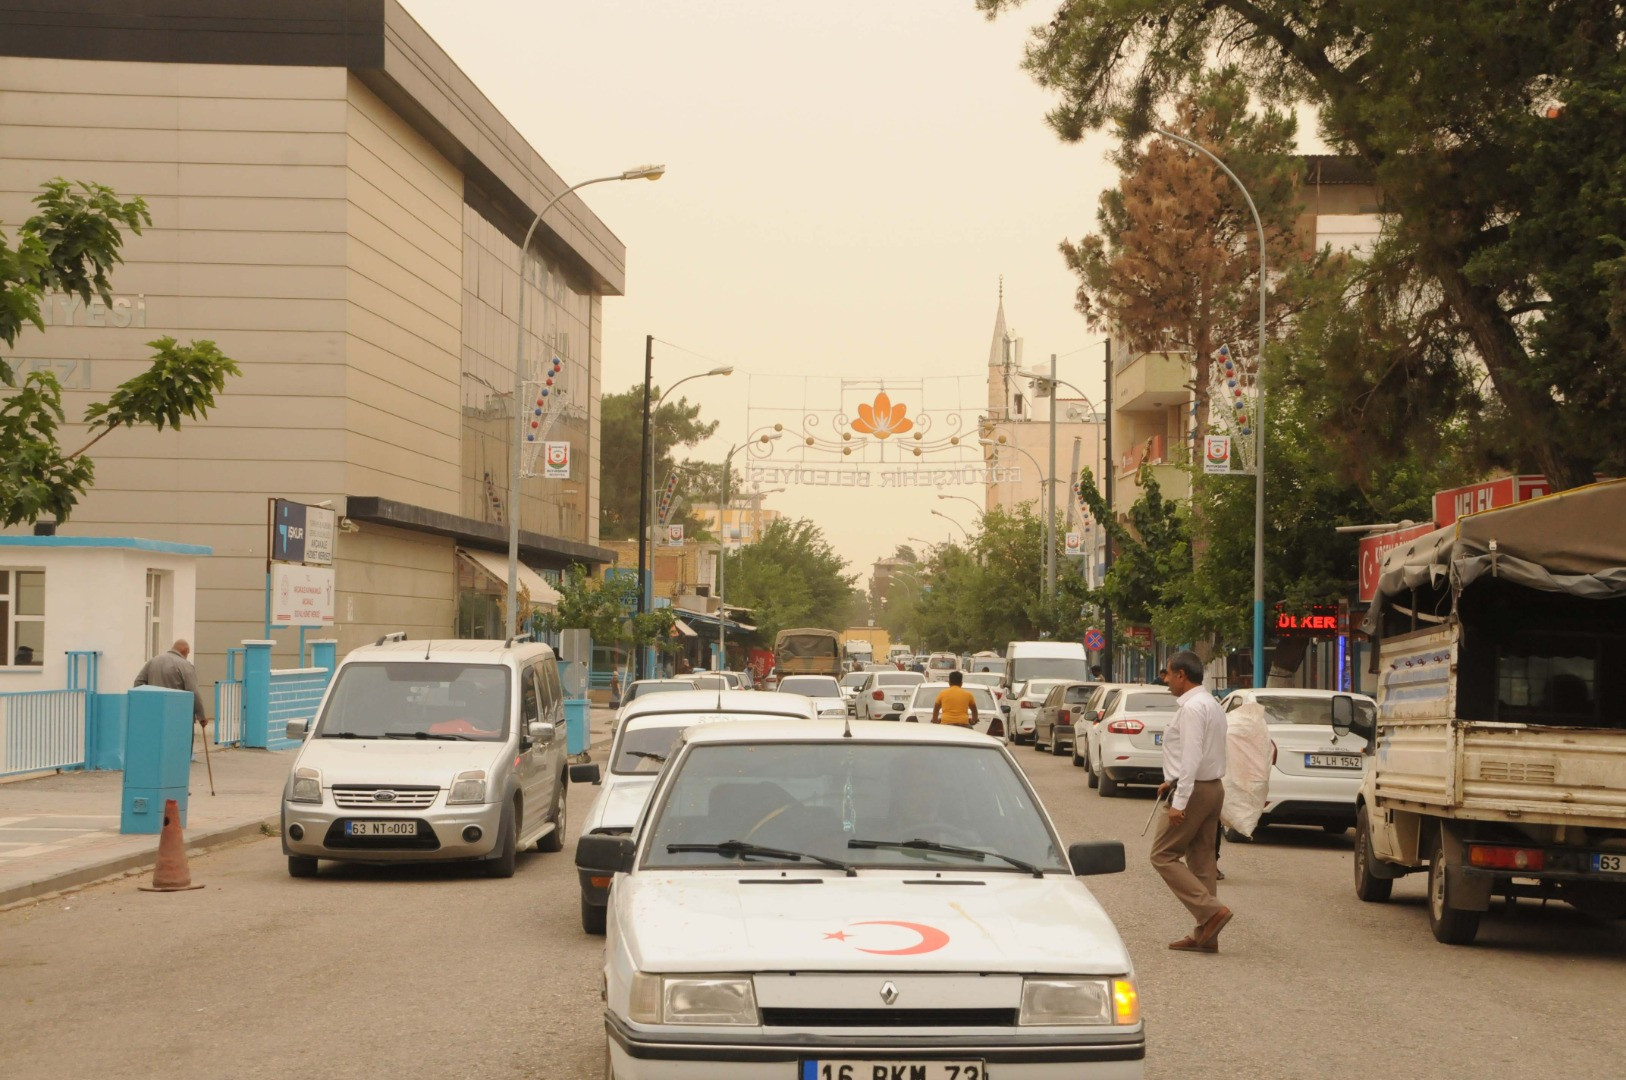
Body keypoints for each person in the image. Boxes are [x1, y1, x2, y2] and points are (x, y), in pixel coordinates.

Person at [1151, 649, 1232, 953]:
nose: (1166, 680)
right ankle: (1206, 935)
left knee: (1162, 854)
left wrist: (1179, 801)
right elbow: (1205, 753)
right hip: (1211, 788)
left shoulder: (1192, 708)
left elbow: (1192, 755)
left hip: (1195, 791)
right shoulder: (1211, 704)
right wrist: (1172, 780)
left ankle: (1211, 912)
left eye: (1169, 674)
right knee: (1201, 859)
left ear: (1181, 675)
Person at [134, 639, 210, 760]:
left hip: (155, 713)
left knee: (157, 744)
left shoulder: (153, 661)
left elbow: (138, 683)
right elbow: (193, 692)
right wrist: (201, 716)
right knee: (178, 749)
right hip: (179, 714)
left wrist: (145, 704)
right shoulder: (185, 665)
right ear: (185, 651)